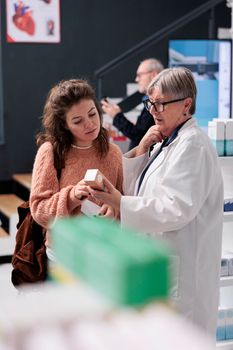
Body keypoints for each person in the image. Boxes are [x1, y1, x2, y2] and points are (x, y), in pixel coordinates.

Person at [89, 67, 223, 339]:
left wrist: (121, 203)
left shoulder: (193, 145)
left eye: (160, 103)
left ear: (186, 104)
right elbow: (144, 188)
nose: (153, 110)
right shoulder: (168, 142)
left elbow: (176, 208)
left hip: (185, 282)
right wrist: (140, 149)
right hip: (161, 269)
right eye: (151, 103)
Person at [29, 79, 123, 259]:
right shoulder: (51, 152)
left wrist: (114, 209)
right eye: (78, 121)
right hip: (64, 254)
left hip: (105, 253)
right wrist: (71, 196)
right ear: (64, 124)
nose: (90, 124)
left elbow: (123, 199)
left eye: (92, 114)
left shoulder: (113, 153)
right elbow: (39, 210)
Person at [101, 58, 164, 150]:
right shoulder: (152, 101)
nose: (136, 79)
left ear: (154, 75)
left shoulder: (157, 103)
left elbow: (139, 136)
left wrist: (116, 116)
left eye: (139, 75)